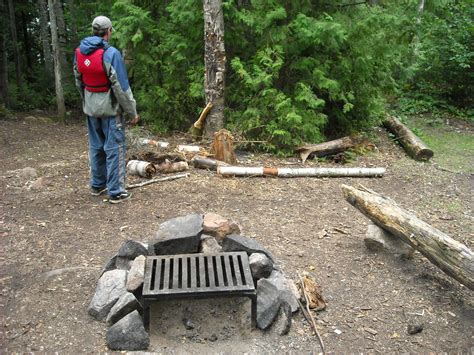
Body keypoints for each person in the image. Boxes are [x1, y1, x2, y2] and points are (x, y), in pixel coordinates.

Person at [73, 16, 139, 204]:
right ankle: (116, 191)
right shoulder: (111, 53)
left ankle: (97, 184)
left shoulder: (79, 52)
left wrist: (87, 101)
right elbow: (121, 87)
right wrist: (132, 112)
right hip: (110, 109)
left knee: (96, 146)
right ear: (108, 31)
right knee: (115, 148)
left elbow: (78, 80)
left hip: (91, 107)